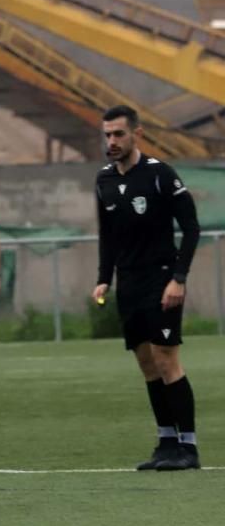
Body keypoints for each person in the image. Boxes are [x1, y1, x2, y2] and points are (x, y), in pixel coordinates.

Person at [93, 105, 201, 471]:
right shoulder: (103, 180)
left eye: (119, 134)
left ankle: (189, 447)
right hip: (129, 283)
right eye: (107, 134)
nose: (112, 141)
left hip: (162, 279)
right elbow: (107, 236)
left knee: (167, 358)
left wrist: (179, 278)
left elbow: (191, 228)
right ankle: (166, 443)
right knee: (146, 363)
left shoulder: (159, 175)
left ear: (136, 134)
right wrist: (103, 278)